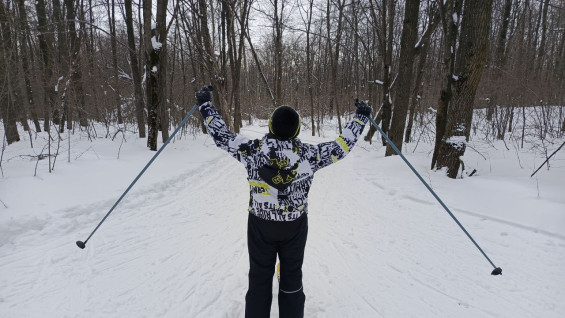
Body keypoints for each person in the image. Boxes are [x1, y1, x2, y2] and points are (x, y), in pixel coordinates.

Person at [195, 86, 371, 318]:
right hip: (294, 226)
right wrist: (360, 117)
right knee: (292, 277)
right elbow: (341, 147)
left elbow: (222, 136)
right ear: (297, 130)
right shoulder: (310, 155)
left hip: (260, 225)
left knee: (259, 277)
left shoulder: (253, 151)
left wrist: (205, 105)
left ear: (270, 126)